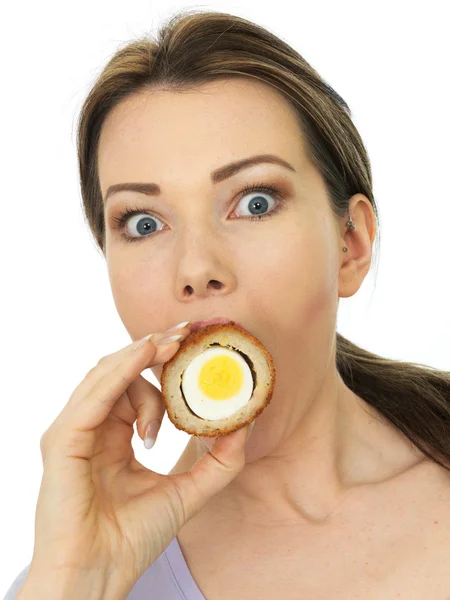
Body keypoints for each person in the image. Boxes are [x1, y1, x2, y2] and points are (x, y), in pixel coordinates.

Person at [5, 8, 450, 600]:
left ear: (350, 244)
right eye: (143, 222)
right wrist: (73, 582)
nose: (196, 270)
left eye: (256, 202)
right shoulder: (82, 576)